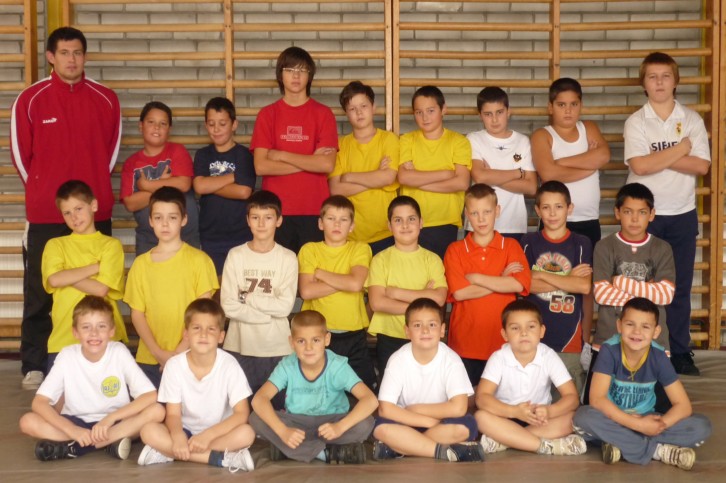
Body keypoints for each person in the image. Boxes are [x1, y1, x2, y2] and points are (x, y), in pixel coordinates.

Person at [10, 26, 121, 389]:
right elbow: (21, 157)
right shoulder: (30, 100)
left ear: (84, 56)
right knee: (40, 293)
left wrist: (90, 198)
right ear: (51, 57)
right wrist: (45, 194)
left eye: (77, 53)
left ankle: (99, 360)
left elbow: (109, 155)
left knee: (97, 290)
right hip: (46, 214)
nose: (71, 60)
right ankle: (34, 364)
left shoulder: (106, 99)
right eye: (64, 53)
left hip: (94, 214)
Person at [623, 52, 711, 376]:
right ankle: (637, 350)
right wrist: (680, 149)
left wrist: (657, 155)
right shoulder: (636, 121)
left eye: (665, 76)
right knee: (638, 284)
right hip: (643, 216)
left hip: (682, 214)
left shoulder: (691, 119)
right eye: (652, 76)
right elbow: (640, 166)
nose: (659, 82)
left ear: (675, 81)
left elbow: (701, 166)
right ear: (643, 83)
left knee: (679, 288)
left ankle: (681, 352)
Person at [573, 298, 712, 470]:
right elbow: (597, 399)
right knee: (583, 417)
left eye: (645, 327)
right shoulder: (609, 350)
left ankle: (622, 443)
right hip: (614, 417)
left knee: (702, 426)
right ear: (619, 326)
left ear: (656, 331)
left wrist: (657, 425)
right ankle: (658, 451)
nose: (637, 332)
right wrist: (637, 425)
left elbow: (683, 405)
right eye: (630, 324)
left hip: (647, 417)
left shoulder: (659, 356)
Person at [19, 296, 162, 461]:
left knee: (157, 411)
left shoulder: (118, 351)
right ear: (75, 332)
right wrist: (72, 430)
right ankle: (108, 442)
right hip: (76, 422)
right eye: (86, 327)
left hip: (115, 422)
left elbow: (150, 396)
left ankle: (74, 448)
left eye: (101, 326)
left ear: (112, 331)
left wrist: (111, 418)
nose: (94, 333)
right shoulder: (67, 355)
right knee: (27, 421)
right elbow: (39, 402)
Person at [137, 299, 255, 473]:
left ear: (221, 336)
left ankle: (168, 453)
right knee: (148, 430)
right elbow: (173, 414)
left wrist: (208, 435)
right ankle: (220, 458)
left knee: (247, 434)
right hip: (185, 430)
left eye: (211, 329)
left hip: (218, 433)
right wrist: (177, 436)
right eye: (196, 328)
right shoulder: (174, 365)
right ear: (186, 334)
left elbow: (241, 413)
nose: (203, 335)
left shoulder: (229, 365)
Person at [584, 183, 675, 405]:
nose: (635, 219)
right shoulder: (604, 246)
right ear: (617, 212)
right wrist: (648, 292)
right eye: (628, 211)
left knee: (661, 409)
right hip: (607, 339)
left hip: (654, 342)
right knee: (592, 409)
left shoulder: (662, 248)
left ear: (651, 214)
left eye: (642, 212)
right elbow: (602, 294)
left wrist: (620, 282)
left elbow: (665, 295)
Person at [250, 310, 378, 464]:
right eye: (301, 341)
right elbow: (259, 399)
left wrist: (340, 427)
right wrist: (282, 431)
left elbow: (370, 400)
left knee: (366, 422)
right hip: (297, 424)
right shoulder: (287, 365)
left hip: (331, 422)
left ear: (327, 339)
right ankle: (326, 452)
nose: (308, 348)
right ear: (291, 342)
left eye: (316, 340)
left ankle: (291, 450)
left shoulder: (337, 365)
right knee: (256, 418)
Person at [124, 187, 218, 388]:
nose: (165, 224)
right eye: (158, 217)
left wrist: (177, 354)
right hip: (149, 359)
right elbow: (137, 314)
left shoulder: (200, 260)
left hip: (191, 355)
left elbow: (203, 314)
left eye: (172, 217)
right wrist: (158, 353)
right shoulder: (140, 264)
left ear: (184, 219)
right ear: (150, 221)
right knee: (151, 408)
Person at [372, 298, 484, 463]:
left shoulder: (451, 360)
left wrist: (417, 409)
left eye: (432, 325)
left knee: (465, 427)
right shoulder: (397, 360)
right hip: (407, 421)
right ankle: (442, 452)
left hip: (440, 422)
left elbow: (459, 407)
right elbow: (386, 409)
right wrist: (427, 421)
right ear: (407, 331)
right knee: (381, 429)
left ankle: (400, 447)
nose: (425, 330)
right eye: (417, 325)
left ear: (442, 330)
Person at [250, 46, 338, 253]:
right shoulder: (267, 114)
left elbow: (326, 164)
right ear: (280, 75)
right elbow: (261, 166)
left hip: (314, 210)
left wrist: (281, 155)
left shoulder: (324, 114)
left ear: (310, 75)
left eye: (302, 70)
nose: (296, 76)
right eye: (289, 70)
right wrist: (310, 161)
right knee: (278, 272)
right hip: (275, 212)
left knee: (312, 271)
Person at [444, 183, 531, 386]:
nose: (481, 219)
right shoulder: (455, 249)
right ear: (467, 214)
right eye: (475, 213)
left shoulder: (511, 246)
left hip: (504, 343)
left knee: (501, 399)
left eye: (487, 212)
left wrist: (476, 277)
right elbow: (460, 293)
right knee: (467, 400)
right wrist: (501, 279)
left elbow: (518, 285)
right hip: (465, 342)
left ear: (497, 211)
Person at [474, 299, 587, 456]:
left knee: (573, 418)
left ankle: (505, 440)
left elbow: (572, 397)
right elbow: (482, 398)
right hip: (505, 417)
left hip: (539, 419)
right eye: (515, 328)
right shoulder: (498, 358)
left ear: (542, 331)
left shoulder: (548, 356)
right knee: (480, 417)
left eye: (531, 327)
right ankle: (546, 446)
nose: (524, 333)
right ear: (505, 334)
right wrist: (514, 411)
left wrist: (549, 411)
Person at [221, 190, 297, 405]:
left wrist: (247, 297)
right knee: (241, 409)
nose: (261, 223)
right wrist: (266, 316)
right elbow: (228, 305)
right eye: (255, 217)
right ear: (248, 220)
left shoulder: (288, 258)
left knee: (277, 409)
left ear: (279, 220)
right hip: (239, 346)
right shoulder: (236, 255)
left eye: (268, 217)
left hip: (277, 347)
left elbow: (284, 308)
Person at [42, 181, 127, 369]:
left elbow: (100, 289)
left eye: (78, 209)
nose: (74, 217)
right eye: (67, 213)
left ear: (93, 205)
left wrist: (66, 275)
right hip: (63, 340)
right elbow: (54, 280)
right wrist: (95, 267)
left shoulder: (111, 245)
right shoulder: (55, 245)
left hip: (106, 341)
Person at [520, 181, 592, 396]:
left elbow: (583, 286)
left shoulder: (581, 242)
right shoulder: (528, 241)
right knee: (531, 401)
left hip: (568, 338)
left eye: (559, 207)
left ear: (569, 208)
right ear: (537, 210)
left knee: (566, 403)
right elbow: (525, 285)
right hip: (532, 337)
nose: (552, 213)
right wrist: (567, 278)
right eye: (546, 207)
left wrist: (540, 274)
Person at [298, 195, 376, 390]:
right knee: (319, 390)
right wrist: (345, 281)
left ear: (352, 226)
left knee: (364, 391)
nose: (337, 224)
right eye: (331, 218)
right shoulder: (310, 249)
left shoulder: (360, 248)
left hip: (353, 333)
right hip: (317, 334)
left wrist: (321, 274)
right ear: (321, 223)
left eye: (343, 219)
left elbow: (356, 284)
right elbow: (306, 291)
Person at [366, 195, 447, 375]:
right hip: (390, 335)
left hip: (424, 334)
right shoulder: (380, 260)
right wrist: (423, 297)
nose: (405, 225)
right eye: (398, 220)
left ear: (421, 223)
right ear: (389, 226)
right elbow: (377, 303)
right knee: (391, 387)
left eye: (411, 219)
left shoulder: (432, 259)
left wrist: (396, 293)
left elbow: (439, 299)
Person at [531, 77, 610, 249]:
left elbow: (604, 155)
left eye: (574, 104)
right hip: (553, 220)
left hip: (589, 219)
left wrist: (560, 162)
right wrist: (589, 165)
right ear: (550, 107)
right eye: (561, 105)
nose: (568, 110)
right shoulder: (542, 135)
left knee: (586, 266)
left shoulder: (588, 128)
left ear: (581, 105)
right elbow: (549, 174)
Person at [398, 85, 472, 259]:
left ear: (443, 109)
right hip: (410, 220)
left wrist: (417, 180)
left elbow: (461, 183)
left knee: (439, 273)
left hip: (445, 221)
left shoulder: (458, 141)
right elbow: (403, 177)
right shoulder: (407, 140)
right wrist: (445, 174)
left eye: (431, 111)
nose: (425, 117)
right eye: (419, 112)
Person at [329, 81, 400, 254]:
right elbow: (336, 189)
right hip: (350, 233)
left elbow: (388, 178)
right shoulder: (340, 145)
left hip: (385, 230)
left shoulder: (389, 139)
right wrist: (376, 177)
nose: (359, 112)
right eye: (352, 109)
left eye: (363, 106)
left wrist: (350, 177)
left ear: (373, 107)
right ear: (346, 113)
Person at [120, 101, 200, 255]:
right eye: (151, 122)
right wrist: (166, 184)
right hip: (149, 240)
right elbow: (130, 203)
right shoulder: (131, 163)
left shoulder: (177, 151)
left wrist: (146, 185)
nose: (157, 127)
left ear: (169, 129)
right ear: (141, 126)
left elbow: (183, 184)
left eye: (163, 123)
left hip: (185, 237)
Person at [193, 97, 256, 275]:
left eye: (222, 124)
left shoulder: (243, 155)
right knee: (215, 285)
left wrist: (210, 183)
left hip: (241, 234)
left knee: (240, 284)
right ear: (206, 125)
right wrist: (234, 176)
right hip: (210, 234)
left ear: (234, 124)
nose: (216, 129)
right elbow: (199, 187)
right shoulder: (203, 154)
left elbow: (243, 191)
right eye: (211, 124)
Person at [466, 87, 536, 243]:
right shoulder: (474, 139)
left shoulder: (522, 141)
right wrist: (518, 173)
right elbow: (480, 176)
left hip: (513, 225)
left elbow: (531, 187)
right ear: (480, 115)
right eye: (488, 114)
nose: (494, 119)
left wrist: (491, 175)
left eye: (499, 112)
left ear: (508, 111)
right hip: (478, 225)